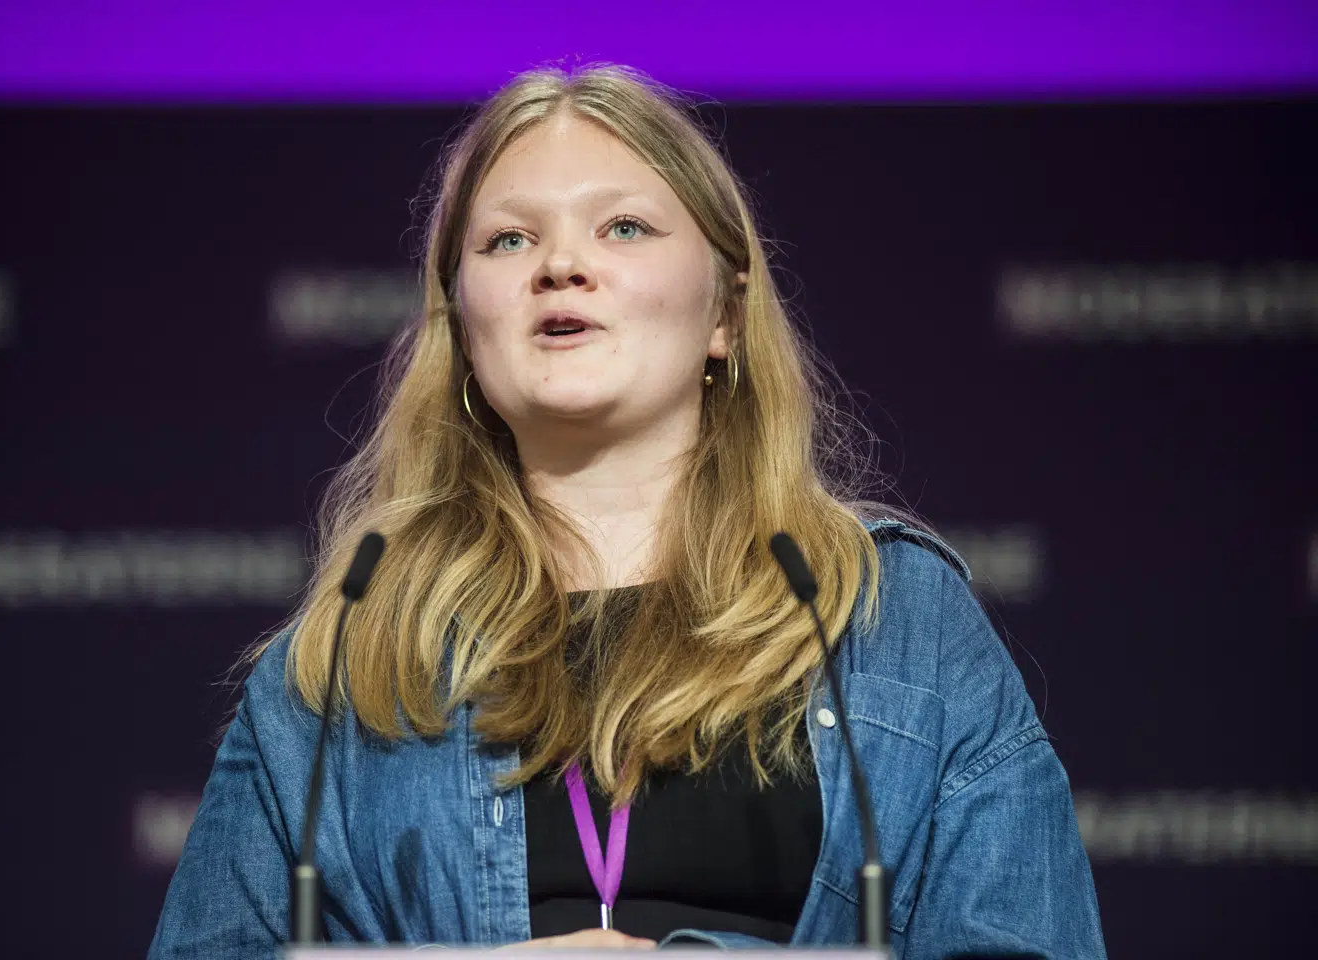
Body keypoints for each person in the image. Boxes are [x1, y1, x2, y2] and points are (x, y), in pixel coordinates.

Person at [148, 63, 1105, 958]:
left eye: (624, 228)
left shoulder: (889, 620)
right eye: (509, 240)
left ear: (725, 313)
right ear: (464, 329)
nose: (560, 264)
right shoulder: (345, 664)